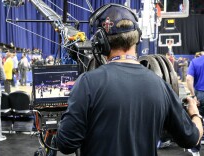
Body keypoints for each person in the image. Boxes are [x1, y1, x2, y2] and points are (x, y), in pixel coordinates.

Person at [56, 4, 203, 156]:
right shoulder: (161, 86)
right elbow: (191, 139)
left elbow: (66, 144)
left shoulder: (87, 83)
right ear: (137, 37)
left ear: (101, 42)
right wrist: (194, 114)